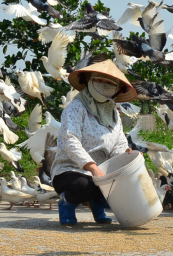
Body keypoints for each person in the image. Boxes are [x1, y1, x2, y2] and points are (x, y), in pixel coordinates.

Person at [51, 60, 137, 225]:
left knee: (125, 186)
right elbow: (71, 141)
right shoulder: (76, 108)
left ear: (117, 89)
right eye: (99, 80)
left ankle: (97, 204)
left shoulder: (114, 114)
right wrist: (92, 167)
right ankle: (66, 202)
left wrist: (126, 155)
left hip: (102, 173)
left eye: (109, 83)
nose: (104, 85)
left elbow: (118, 143)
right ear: (89, 81)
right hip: (71, 170)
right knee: (85, 185)